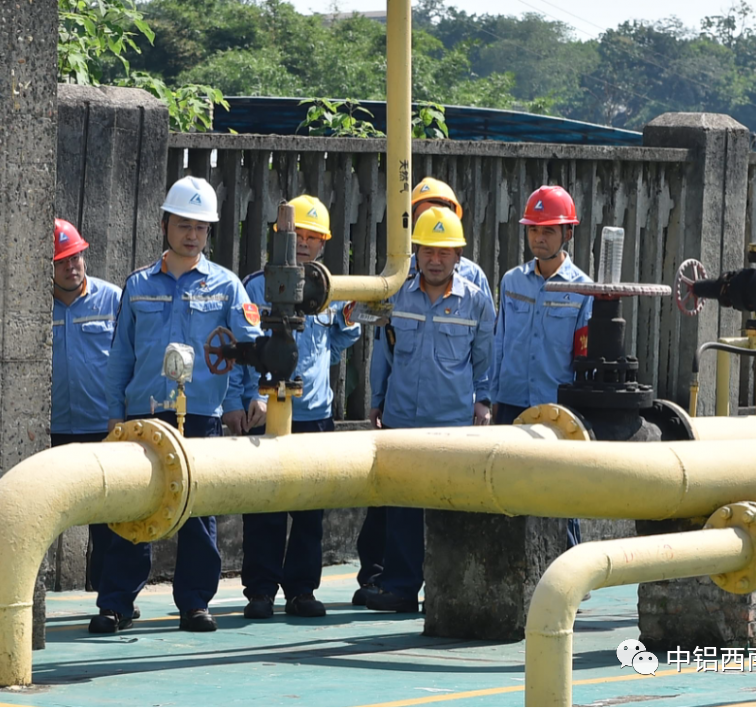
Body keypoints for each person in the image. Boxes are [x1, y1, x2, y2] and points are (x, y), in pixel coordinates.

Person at [91, 175, 264, 635]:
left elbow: (250, 349)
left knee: (199, 514)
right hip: (142, 419)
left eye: (201, 227)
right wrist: (114, 414)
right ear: (165, 224)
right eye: (184, 224)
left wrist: (253, 399)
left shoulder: (227, 287)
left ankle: (194, 603)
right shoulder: (138, 285)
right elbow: (120, 357)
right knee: (132, 510)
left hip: (202, 417)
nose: (192, 235)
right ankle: (115, 604)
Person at [354, 176, 495, 606]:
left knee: (451, 512)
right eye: (427, 250)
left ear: (458, 254)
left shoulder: (475, 299)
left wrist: (484, 403)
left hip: (453, 424)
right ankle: (399, 588)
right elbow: (383, 351)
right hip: (402, 417)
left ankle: (448, 592)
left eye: (443, 251)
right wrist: (376, 399)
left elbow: (487, 356)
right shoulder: (395, 294)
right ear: (414, 250)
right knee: (401, 512)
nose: (435, 260)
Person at [234, 195, 361, 620]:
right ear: (281, 237)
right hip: (268, 414)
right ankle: (261, 592)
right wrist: (247, 398)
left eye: (312, 237)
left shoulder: (328, 289)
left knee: (310, 511)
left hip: (316, 416)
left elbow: (339, 343)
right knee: (264, 508)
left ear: (324, 243)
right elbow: (246, 346)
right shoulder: (257, 286)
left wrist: (347, 322)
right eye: (297, 236)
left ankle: (301, 591)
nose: (303, 244)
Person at [491, 185, 593, 548]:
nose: (539, 237)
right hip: (511, 403)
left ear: (568, 233)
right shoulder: (512, 281)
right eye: (533, 229)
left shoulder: (584, 290)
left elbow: (583, 358)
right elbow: (499, 341)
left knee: (561, 494)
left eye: (548, 229)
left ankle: (570, 573)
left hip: (557, 410)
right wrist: (491, 399)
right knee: (507, 494)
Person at [49, 218, 130, 618]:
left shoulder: (113, 300)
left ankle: (112, 601)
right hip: (51, 430)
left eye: (76, 256)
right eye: (62, 260)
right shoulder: (33, 305)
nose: (72, 265)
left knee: (111, 524)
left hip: (104, 427)